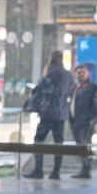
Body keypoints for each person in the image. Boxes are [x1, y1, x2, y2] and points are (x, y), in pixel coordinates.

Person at [24, 50, 73, 179]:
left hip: (47, 113)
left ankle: (38, 170)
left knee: (39, 140)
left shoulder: (50, 74)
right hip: (61, 114)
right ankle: (56, 172)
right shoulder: (67, 75)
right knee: (58, 143)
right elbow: (69, 92)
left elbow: (40, 90)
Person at [69, 64, 97, 179]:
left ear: (87, 74)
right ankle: (84, 168)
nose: (80, 74)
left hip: (86, 122)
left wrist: (92, 119)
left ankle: (86, 169)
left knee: (85, 145)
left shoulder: (93, 88)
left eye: (83, 72)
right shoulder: (75, 87)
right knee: (80, 145)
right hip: (75, 121)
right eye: (78, 72)